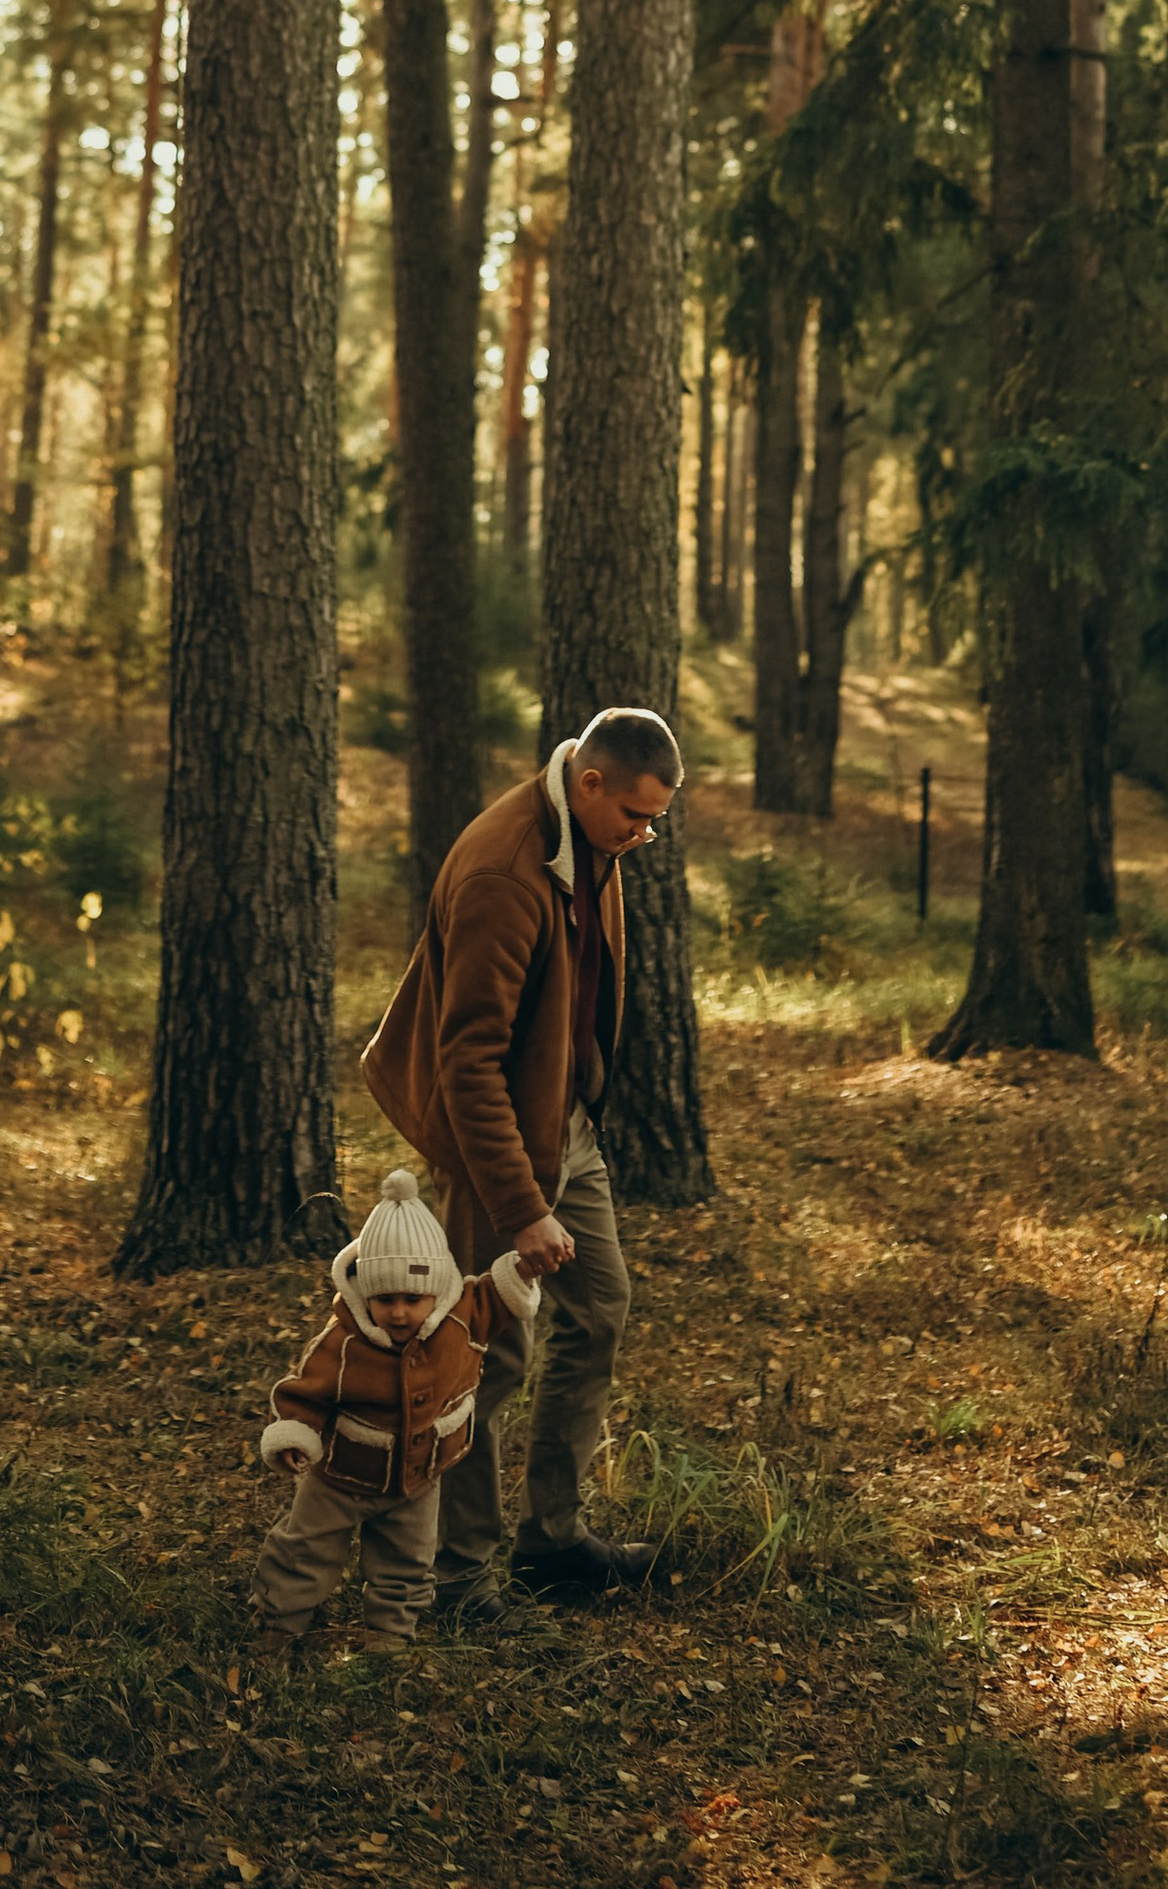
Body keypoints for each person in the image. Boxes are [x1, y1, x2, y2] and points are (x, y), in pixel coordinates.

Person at [360, 705, 682, 1621]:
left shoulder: (597, 842)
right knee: (485, 1355)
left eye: (656, 817)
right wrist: (520, 1203)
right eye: (635, 816)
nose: (645, 834)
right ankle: (455, 1581)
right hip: (490, 1133)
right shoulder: (507, 870)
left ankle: (551, 1539)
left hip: (563, 1121)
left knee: (601, 1306)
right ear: (588, 784)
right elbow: (468, 1062)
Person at [251, 1168, 543, 1659]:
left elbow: (498, 1292)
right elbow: (305, 1393)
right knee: (304, 1551)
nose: (400, 1313)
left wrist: (527, 1268)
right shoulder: (344, 1340)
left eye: (414, 1298)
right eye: (385, 1299)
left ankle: (390, 1643)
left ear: (440, 1288)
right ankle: (278, 1629)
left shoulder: (460, 1317)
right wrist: (296, 1436)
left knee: (408, 1563)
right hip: (341, 1477)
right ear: (365, 1293)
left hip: (418, 1480)